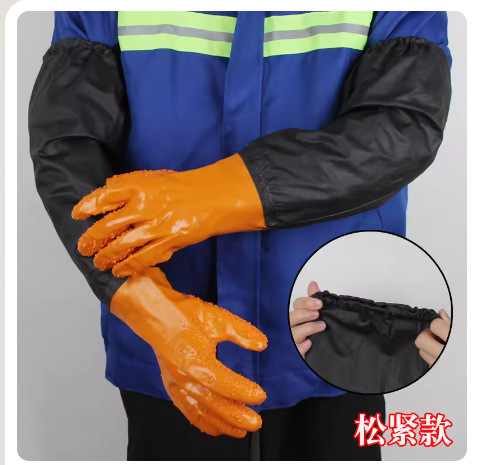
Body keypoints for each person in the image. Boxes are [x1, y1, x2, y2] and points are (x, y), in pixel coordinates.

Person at [29, 10, 451, 460]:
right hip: (168, 343)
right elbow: (69, 143)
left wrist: (209, 196)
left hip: (341, 345)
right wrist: (146, 304)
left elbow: (402, 125)